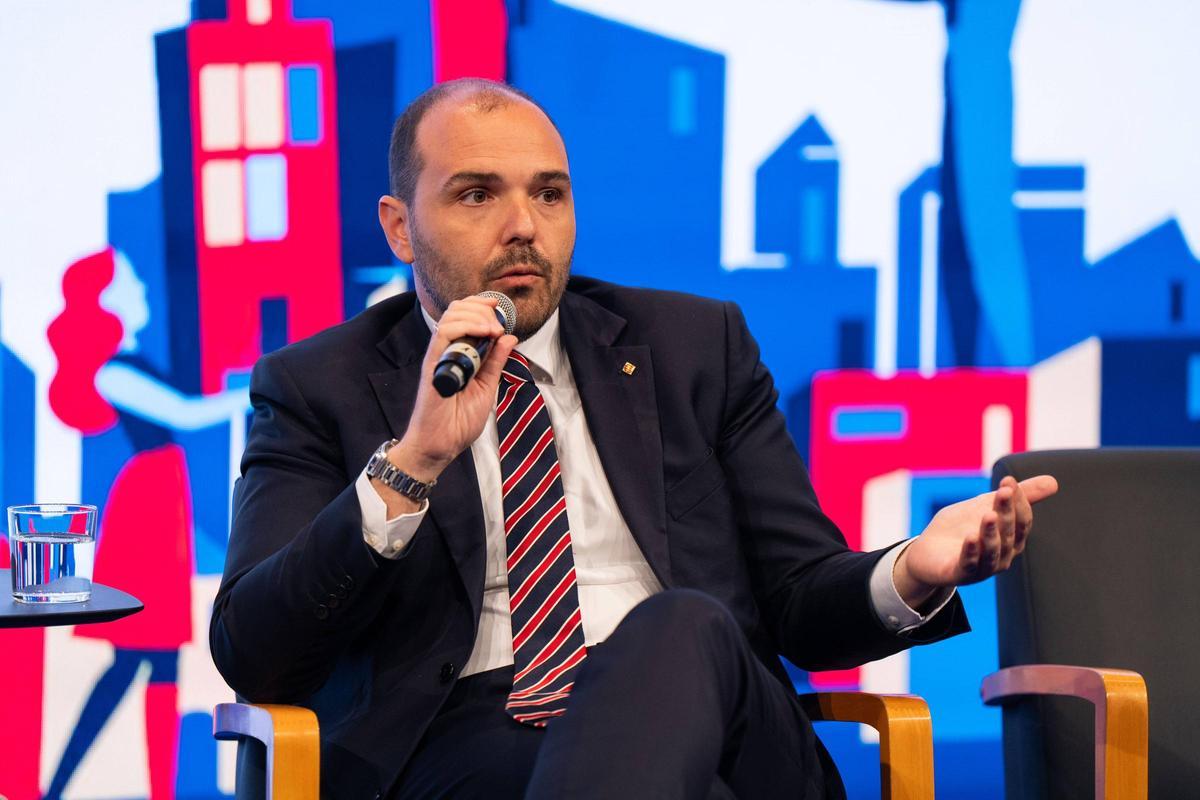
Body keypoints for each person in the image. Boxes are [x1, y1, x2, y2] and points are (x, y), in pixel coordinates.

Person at [210, 78, 1057, 799]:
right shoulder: (319, 384)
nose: (524, 227)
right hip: (476, 742)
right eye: (476, 194)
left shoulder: (694, 348)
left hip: (727, 724)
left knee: (680, 627)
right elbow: (257, 652)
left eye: (549, 193)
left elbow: (801, 602)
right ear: (399, 228)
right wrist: (413, 462)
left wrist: (914, 569)